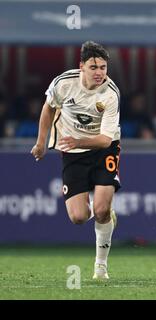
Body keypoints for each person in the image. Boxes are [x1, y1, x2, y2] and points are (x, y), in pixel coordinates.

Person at [31, 41, 121, 279]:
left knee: (101, 210)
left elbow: (103, 140)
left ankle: (100, 267)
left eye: (103, 67)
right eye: (94, 67)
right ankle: (104, 216)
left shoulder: (111, 94)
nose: (99, 72)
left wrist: (77, 141)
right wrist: (41, 142)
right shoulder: (63, 83)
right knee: (78, 217)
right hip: (72, 153)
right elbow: (49, 108)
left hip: (104, 149)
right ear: (81, 66)